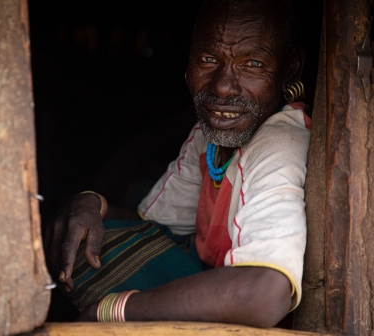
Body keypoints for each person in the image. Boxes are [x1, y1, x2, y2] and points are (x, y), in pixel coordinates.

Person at [44, 0, 311, 327]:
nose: (223, 86)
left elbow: (263, 295)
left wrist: (117, 310)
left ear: (291, 69)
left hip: (258, 317)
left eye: (252, 63)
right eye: (208, 59)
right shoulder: (208, 135)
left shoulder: (280, 144)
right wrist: (91, 204)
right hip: (223, 289)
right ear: (187, 66)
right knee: (86, 239)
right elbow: (152, 228)